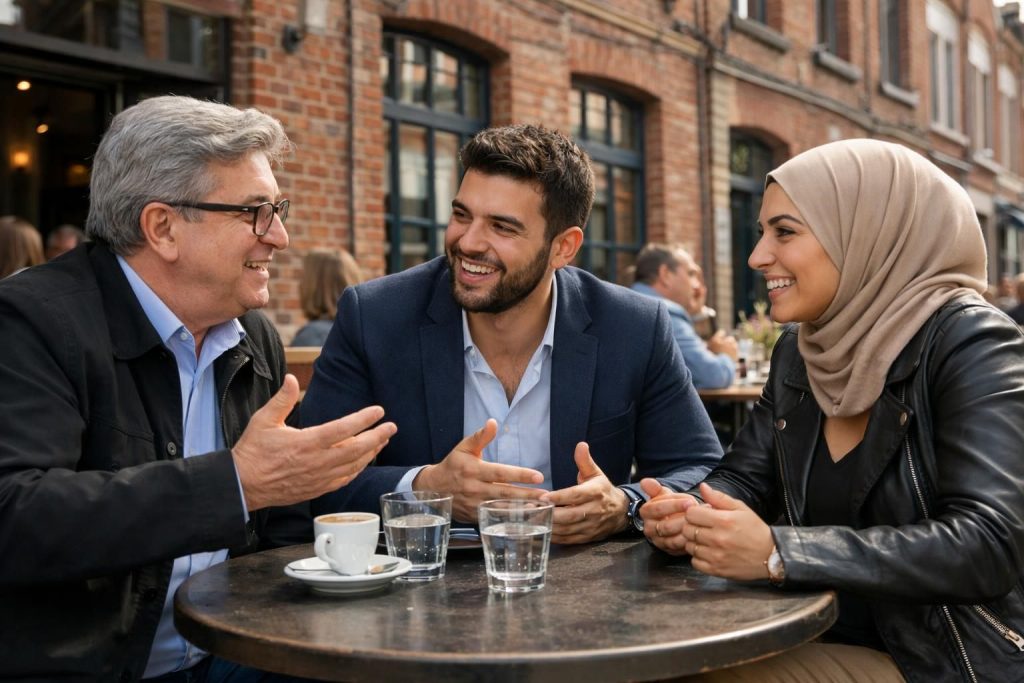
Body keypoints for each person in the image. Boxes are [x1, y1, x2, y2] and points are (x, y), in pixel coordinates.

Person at [0, 96, 397, 682]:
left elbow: (282, 531)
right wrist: (233, 484)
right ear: (163, 228)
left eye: (277, 209)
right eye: (255, 212)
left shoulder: (252, 336)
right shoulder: (32, 321)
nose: (279, 236)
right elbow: (15, 515)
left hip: (233, 656)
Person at [640, 139, 1024, 681]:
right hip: (805, 626)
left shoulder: (970, 341)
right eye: (761, 232)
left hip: (941, 662)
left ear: (866, 233)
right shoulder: (800, 351)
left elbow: (989, 543)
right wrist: (690, 512)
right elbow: (745, 478)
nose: (757, 256)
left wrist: (781, 552)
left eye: (785, 232)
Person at [302, 124, 722, 544]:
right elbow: (312, 483)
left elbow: (703, 471)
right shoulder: (374, 317)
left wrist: (623, 507)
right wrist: (425, 488)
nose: (468, 242)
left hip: (583, 577)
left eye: (502, 227)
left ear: (563, 247)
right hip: (422, 578)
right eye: (461, 215)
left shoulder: (633, 327)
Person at [631, 243, 738, 389]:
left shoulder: (631, 303)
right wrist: (727, 356)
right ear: (665, 274)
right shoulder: (664, 314)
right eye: (691, 274)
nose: (697, 285)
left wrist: (692, 314)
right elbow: (713, 376)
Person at [291, 247, 364, 346]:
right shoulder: (364, 332)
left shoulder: (313, 335)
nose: (300, 284)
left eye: (302, 277)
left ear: (314, 285)